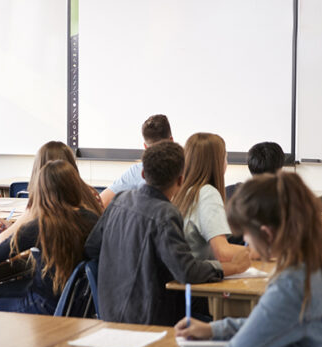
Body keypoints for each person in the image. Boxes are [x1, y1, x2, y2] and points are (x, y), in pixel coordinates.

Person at [175, 171, 322, 347]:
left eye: (246, 233)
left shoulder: (292, 286)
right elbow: (275, 324)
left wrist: (222, 338)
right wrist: (214, 330)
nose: (244, 241)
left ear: (267, 234)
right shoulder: (313, 265)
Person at [85, 142, 250, 325]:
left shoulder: (119, 200)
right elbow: (187, 271)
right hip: (150, 317)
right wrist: (233, 267)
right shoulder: (166, 214)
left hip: (109, 311)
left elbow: (92, 248)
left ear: (143, 174)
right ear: (181, 180)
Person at [0, 160, 100, 315]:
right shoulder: (92, 219)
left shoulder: (41, 225)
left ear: (40, 190)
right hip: (80, 304)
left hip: (44, 304)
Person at [0, 141, 102, 243]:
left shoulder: (45, 200)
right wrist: (13, 227)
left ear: (39, 168)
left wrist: (12, 230)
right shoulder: (91, 193)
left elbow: (2, 241)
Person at [172, 132, 248, 263]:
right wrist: (260, 252)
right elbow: (223, 253)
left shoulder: (182, 192)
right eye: (225, 157)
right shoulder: (207, 193)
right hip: (198, 281)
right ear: (217, 162)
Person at [99, 114, 173, 207]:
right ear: (171, 141)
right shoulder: (186, 169)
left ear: (145, 147)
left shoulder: (137, 171)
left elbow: (101, 202)